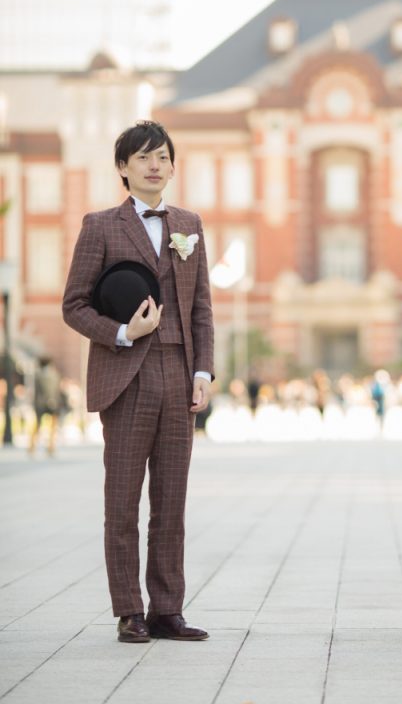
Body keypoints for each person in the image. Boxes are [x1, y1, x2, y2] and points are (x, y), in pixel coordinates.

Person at [63, 121, 214, 645]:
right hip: (124, 376)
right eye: (143, 157)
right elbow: (74, 305)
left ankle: (167, 610)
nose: (155, 165)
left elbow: (201, 310)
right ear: (123, 168)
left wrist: (202, 372)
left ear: (172, 166)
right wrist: (124, 332)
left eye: (163, 157)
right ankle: (129, 609)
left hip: (177, 373)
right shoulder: (100, 225)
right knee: (123, 501)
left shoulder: (189, 224)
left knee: (172, 502)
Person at [28, 355, 62, 455]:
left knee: (37, 425)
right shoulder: (55, 374)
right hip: (53, 402)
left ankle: (32, 447)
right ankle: (51, 447)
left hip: (40, 404)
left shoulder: (37, 375)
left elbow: (36, 392)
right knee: (53, 426)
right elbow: (55, 390)